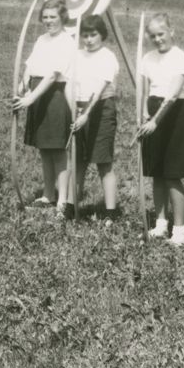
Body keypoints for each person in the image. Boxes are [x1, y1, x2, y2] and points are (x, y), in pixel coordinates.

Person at [12, 0, 76, 217]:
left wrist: (30, 98)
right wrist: (23, 85)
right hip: (37, 93)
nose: (49, 21)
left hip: (55, 96)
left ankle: (63, 202)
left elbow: (53, 75)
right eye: (46, 17)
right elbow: (30, 65)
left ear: (62, 18)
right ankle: (48, 195)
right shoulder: (42, 39)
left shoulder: (67, 41)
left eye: (53, 17)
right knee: (44, 149)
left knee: (58, 150)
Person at [138, 13, 184, 246]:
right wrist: (142, 113)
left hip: (173, 114)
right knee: (156, 172)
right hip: (152, 111)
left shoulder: (180, 57)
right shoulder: (147, 58)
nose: (157, 39)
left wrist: (154, 121)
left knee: (172, 173)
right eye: (153, 36)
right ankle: (160, 224)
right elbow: (143, 89)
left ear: (172, 31)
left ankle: (179, 230)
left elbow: (171, 96)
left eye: (161, 34)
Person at [70, 14, 120, 220]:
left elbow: (99, 89)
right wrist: (74, 109)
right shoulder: (77, 55)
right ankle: (72, 207)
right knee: (78, 161)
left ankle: (110, 212)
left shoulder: (107, 56)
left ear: (102, 35)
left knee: (103, 162)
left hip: (100, 109)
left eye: (93, 35)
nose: (89, 40)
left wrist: (86, 115)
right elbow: (70, 83)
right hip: (78, 107)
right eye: (85, 35)